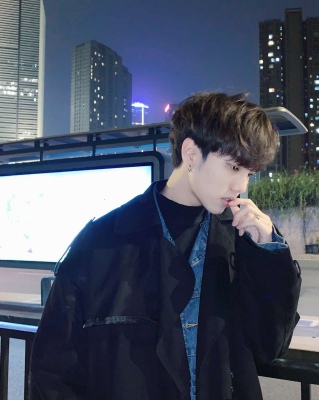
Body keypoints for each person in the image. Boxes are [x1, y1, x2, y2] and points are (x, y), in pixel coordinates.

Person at [30, 92, 301, 400]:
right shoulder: (103, 240)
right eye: (233, 167)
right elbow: (53, 370)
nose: (241, 186)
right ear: (191, 154)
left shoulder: (245, 237)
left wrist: (268, 256)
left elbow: (270, 346)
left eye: (249, 173)